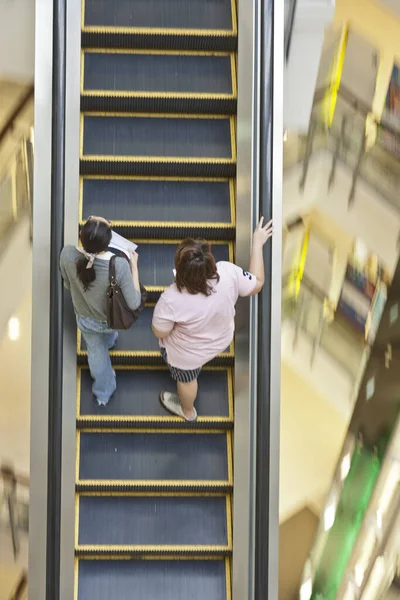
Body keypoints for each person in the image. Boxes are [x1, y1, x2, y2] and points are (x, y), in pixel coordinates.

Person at [152, 217, 273, 422]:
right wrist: (257, 243)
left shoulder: (171, 299)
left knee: (188, 380)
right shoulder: (228, 272)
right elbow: (258, 283)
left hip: (186, 356)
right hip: (221, 340)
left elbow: (160, 332)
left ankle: (188, 412)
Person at [60, 216, 141, 405]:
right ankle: (111, 341)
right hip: (111, 319)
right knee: (108, 334)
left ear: (81, 235)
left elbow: (66, 284)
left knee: (96, 354)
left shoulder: (67, 255)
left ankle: (103, 392)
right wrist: (134, 268)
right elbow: (134, 302)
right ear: (108, 242)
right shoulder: (118, 266)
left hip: (86, 319)